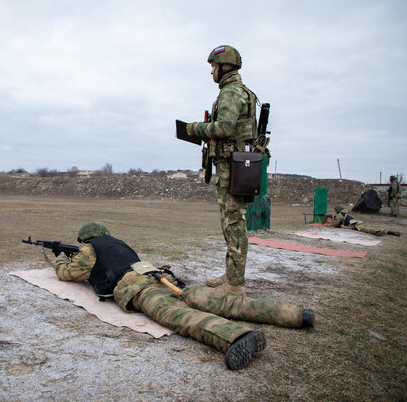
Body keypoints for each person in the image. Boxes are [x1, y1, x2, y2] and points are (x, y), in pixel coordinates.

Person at [52, 222, 315, 371]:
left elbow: (69, 273)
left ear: (85, 238)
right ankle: (295, 315)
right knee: (224, 301)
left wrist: (61, 259)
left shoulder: (88, 248)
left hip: (141, 287)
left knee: (180, 316)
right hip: (163, 277)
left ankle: (236, 337)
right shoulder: (119, 243)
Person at [185, 45, 259, 295]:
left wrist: (196, 128)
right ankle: (232, 275)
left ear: (224, 67)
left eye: (213, 67)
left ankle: (235, 285)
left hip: (232, 168)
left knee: (234, 222)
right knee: (230, 222)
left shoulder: (230, 92)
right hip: (234, 166)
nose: (211, 72)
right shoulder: (238, 91)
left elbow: (224, 128)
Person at [331, 206, 400, 237]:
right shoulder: (345, 214)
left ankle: (377, 232)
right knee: (370, 227)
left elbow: (334, 225)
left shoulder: (339, 215)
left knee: (366, 230)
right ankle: (389, 232)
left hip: (356, 225)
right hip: (358, 222)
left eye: (334, 211)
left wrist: (333, 218)